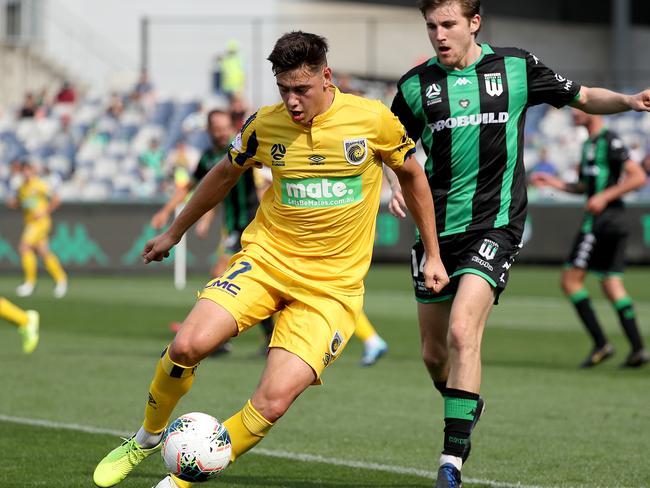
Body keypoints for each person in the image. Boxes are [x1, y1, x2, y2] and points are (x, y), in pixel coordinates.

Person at [92, 31, 447, 488]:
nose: (293, 101)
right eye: (284, 90)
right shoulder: (265, 124)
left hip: (330, 290)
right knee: (186, 346)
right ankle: (145, 438)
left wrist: (433, 254)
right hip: (266, 261)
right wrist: (174, 231)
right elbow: (223, 174)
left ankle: (178, 482)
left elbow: (413, 176)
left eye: (302, 89)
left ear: (327, 77)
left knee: (274, 400)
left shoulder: (372, 120)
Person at [387, 1, 650, 486]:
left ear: (474, 23)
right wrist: (389, 183)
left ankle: (451, 462)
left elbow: (584, 96)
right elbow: (392, 146)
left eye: (448, 24)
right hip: (436, 231)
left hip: (497, 224)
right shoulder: (412, 86)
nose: (439, 35)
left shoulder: (516, 68)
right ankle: (467, 403)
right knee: (433, 353)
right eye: (431, 26)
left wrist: (631, 101)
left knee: (464, 333)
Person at [531, 110, 648, 368]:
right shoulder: (588, 145)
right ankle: (638, 349)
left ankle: (601, 343)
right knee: (611, 283)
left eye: (577, 108)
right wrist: (554, 183)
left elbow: (638, 176)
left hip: (602, 223)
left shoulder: (609, 140)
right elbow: (584, 187)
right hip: (607, 222)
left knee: (570, 281)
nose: (572, 112)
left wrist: (605, 197)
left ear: (593, 112)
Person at [151, 109, 274, 353]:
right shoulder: (208, 157)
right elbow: (197, 188)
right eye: (215, 128)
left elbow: (266, 177)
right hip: (233, 227)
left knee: (220, 275)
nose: (220, 133)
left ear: (231, 126)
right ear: (208, 130)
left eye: (223, 127)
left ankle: (213, 338)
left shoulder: (245, 148)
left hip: (251, 224)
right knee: (245, 281)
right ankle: (268, 337)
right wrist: (166, 211)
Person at [8, 160, 68, 298]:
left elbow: (57, 199)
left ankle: (29, 283)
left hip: (40, 223)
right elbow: (20, 203)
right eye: (24, 170)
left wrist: (45, 211)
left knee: (24, 247)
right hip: (30, 223)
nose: (26, 173)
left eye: (28, 170)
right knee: (43, 252)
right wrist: (14, 204)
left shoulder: (40, 184)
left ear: (33, 171)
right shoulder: (22, 188)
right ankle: (61, 279)